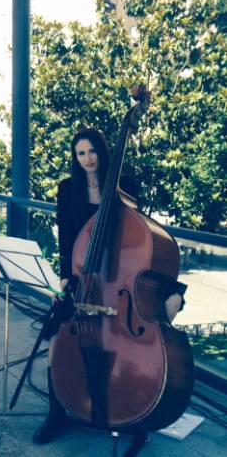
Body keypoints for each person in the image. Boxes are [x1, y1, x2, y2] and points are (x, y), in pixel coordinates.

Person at [33, 129, 184, 451]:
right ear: (75, 157)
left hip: (121, 276)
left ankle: (135, 410)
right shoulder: (68, 188)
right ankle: (56, 413)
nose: (87, 158)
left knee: (166, 306)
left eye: (92, 152)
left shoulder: (123, 185)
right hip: (85, 277)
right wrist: (65, 277)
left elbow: (139, 234)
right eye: (81, 153)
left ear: (102, 152)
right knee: (57, 335)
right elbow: (66, 236)